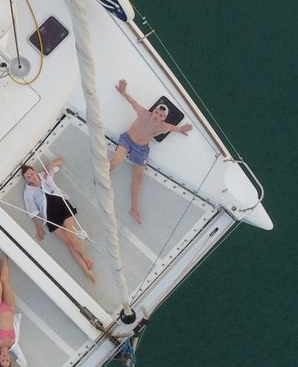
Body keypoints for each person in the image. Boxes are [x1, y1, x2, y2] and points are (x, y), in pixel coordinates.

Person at [108, 78, 193, 224]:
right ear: (153, 111)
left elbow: (175, 128)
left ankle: (134, 209)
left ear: (163, 118)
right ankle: (102, 176)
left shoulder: (164, 127)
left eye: (161, 115)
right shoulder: (143, 113)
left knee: (139, 177)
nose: (157, 115)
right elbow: (133, 102)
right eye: (156, 112)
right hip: (127, 139)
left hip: (141, 149)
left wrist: (182, 129)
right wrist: (123, 92)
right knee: (117, 160)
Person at [21, 159, 97, 284]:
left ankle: (86, 258)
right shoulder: (28, 192)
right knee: (69, 244)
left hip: (61, 206)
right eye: (28, 177)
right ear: (26, 180)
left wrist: (49, 165)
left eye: (32, 174)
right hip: (50, 216)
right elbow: (32, 210)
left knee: (72, 235)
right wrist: (38, 227)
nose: (31, 177)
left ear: (34, 171)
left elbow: (61, 161)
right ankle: (87, 271)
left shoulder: (45, 175)